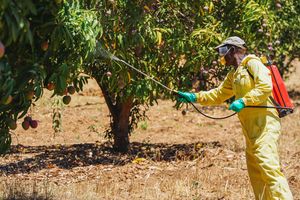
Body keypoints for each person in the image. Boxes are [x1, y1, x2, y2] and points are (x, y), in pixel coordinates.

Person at [177, 36, 293, 200]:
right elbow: (218, 94)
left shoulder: (253, 63)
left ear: (233, 50)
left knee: (269, 167)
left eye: (223, 51)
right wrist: (194, 97)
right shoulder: (235, 74)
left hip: (266, 124)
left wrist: (244, 101)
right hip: (250, 129)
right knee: (256, 172)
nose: (222, 56)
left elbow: (265, 86)